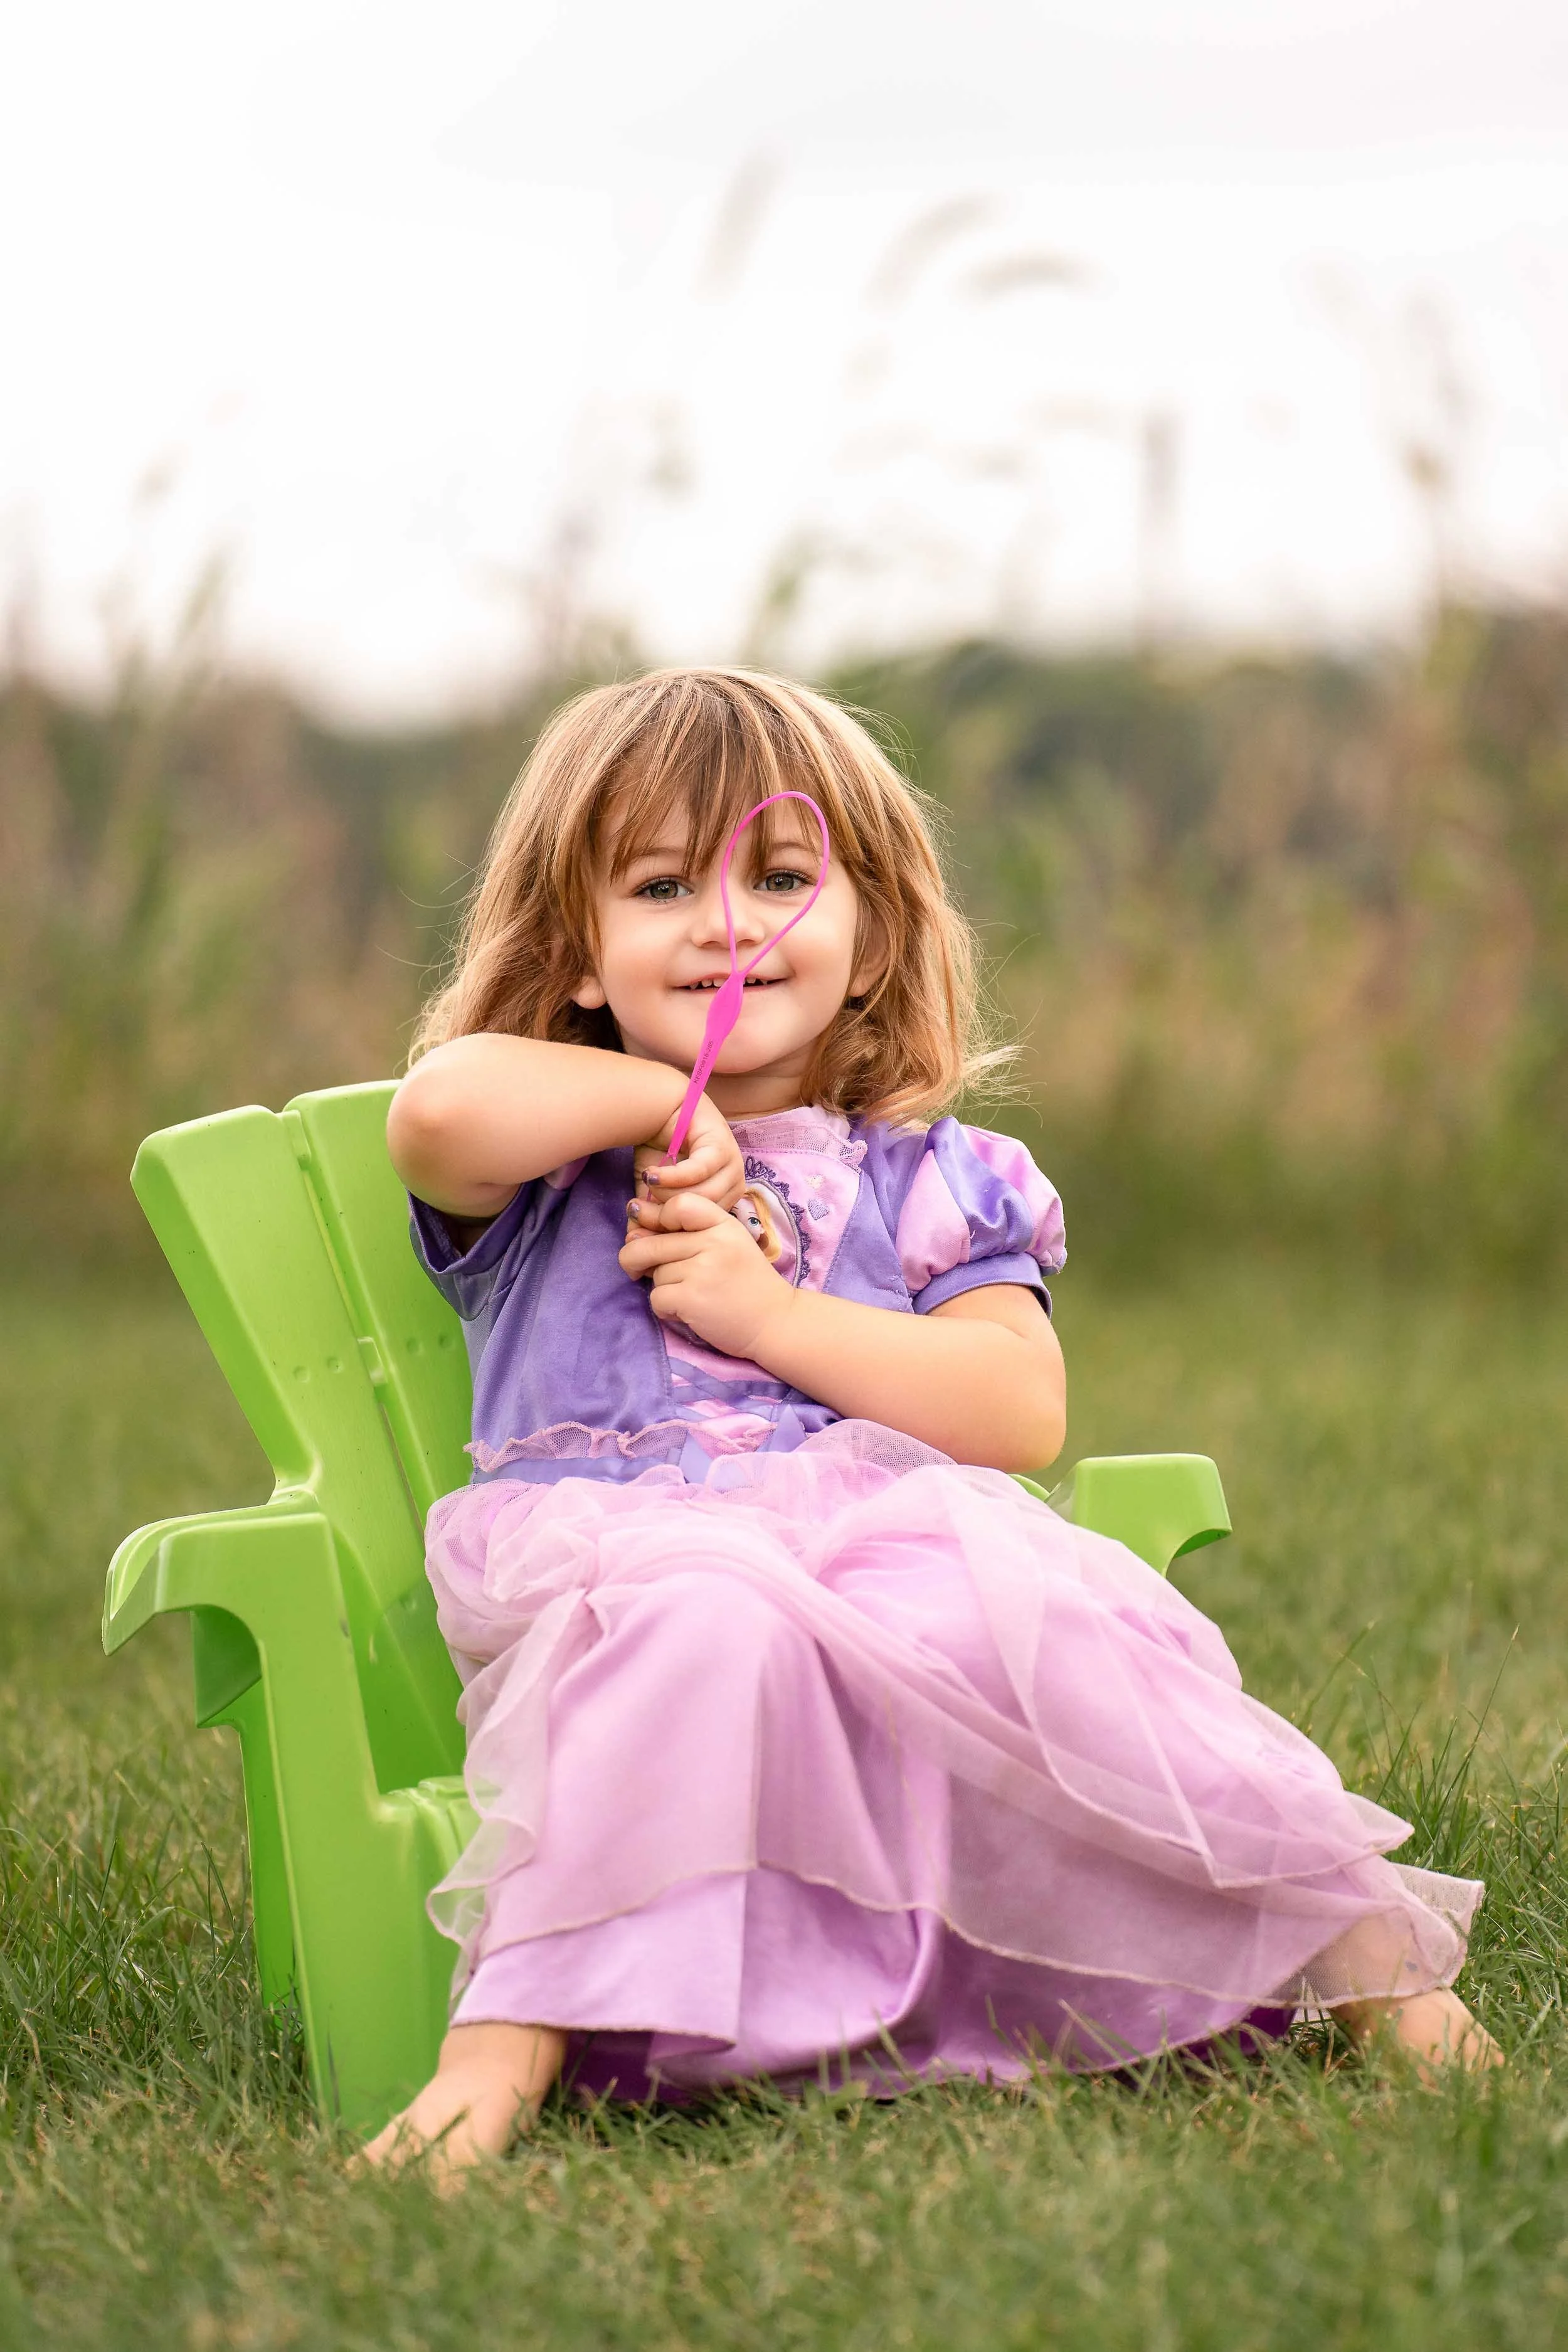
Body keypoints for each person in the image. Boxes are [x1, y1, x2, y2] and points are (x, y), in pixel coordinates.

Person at [369, 667, 1496, 2183]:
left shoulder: (930, 1175)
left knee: (1067, 1619)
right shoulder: (551, 1170)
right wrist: (655, 1109)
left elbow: (1013, 1410)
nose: (725, 921)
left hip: (876, 1532)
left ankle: (1385, 1987)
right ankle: (499, 2047)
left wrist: (767, 1319)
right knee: (707, 1617)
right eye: (658, 883)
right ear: (578, 952)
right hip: (629, 1564)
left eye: (778, 877)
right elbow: (433, 1112)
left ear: (871, 935)